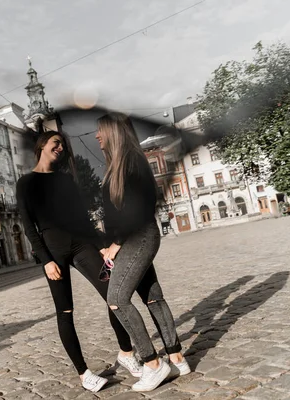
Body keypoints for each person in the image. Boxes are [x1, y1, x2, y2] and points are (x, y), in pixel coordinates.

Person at [16, 129, 143, 393]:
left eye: (63, 144)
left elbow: (82, 218)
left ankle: (126, 353)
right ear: (42, 145)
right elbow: (29, 227)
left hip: (81, 244)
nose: (60, 148)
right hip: (53, 250)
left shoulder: (65, 180)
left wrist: (99, 246)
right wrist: (46, 260)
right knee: (65, 312)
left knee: (114, 296)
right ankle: (84, 373)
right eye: (56, 143)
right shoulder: (25, 183)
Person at [95, 112, 190, 392]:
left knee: (117, 299)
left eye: (100, 131)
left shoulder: (131, 162)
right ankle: (176, 357)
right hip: (135, 238)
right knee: (153, 298)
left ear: (113, 132)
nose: (97, 136)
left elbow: (140, 207)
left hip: (137, 238)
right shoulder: (120, 164)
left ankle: (152, 363)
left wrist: (117, 242)